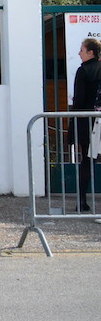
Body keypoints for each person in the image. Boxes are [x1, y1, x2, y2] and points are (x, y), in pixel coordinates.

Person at [69, 37, 101, 212]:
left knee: (87, 160)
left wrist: (73, 122)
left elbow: (79, 100)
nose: (79, 53)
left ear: (91, 52)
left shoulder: (83, 71)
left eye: (82, 50)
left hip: (87, 122)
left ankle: (81, 201)